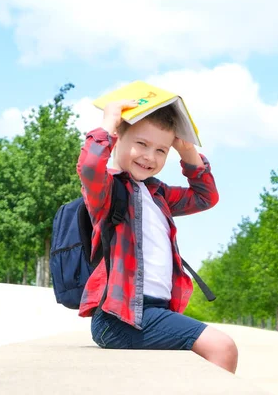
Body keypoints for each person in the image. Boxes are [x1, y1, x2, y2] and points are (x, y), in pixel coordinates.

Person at [76, 99, 238, 373]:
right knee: (222, 347)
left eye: (161, 150)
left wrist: (187, 151)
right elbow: (90, 167)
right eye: (141, 144)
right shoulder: (108, 192)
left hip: (155, 311)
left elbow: (205, 197)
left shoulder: (158, 194)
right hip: (120, 317)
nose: (150, 157)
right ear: (117, 140)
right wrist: (109, 123)